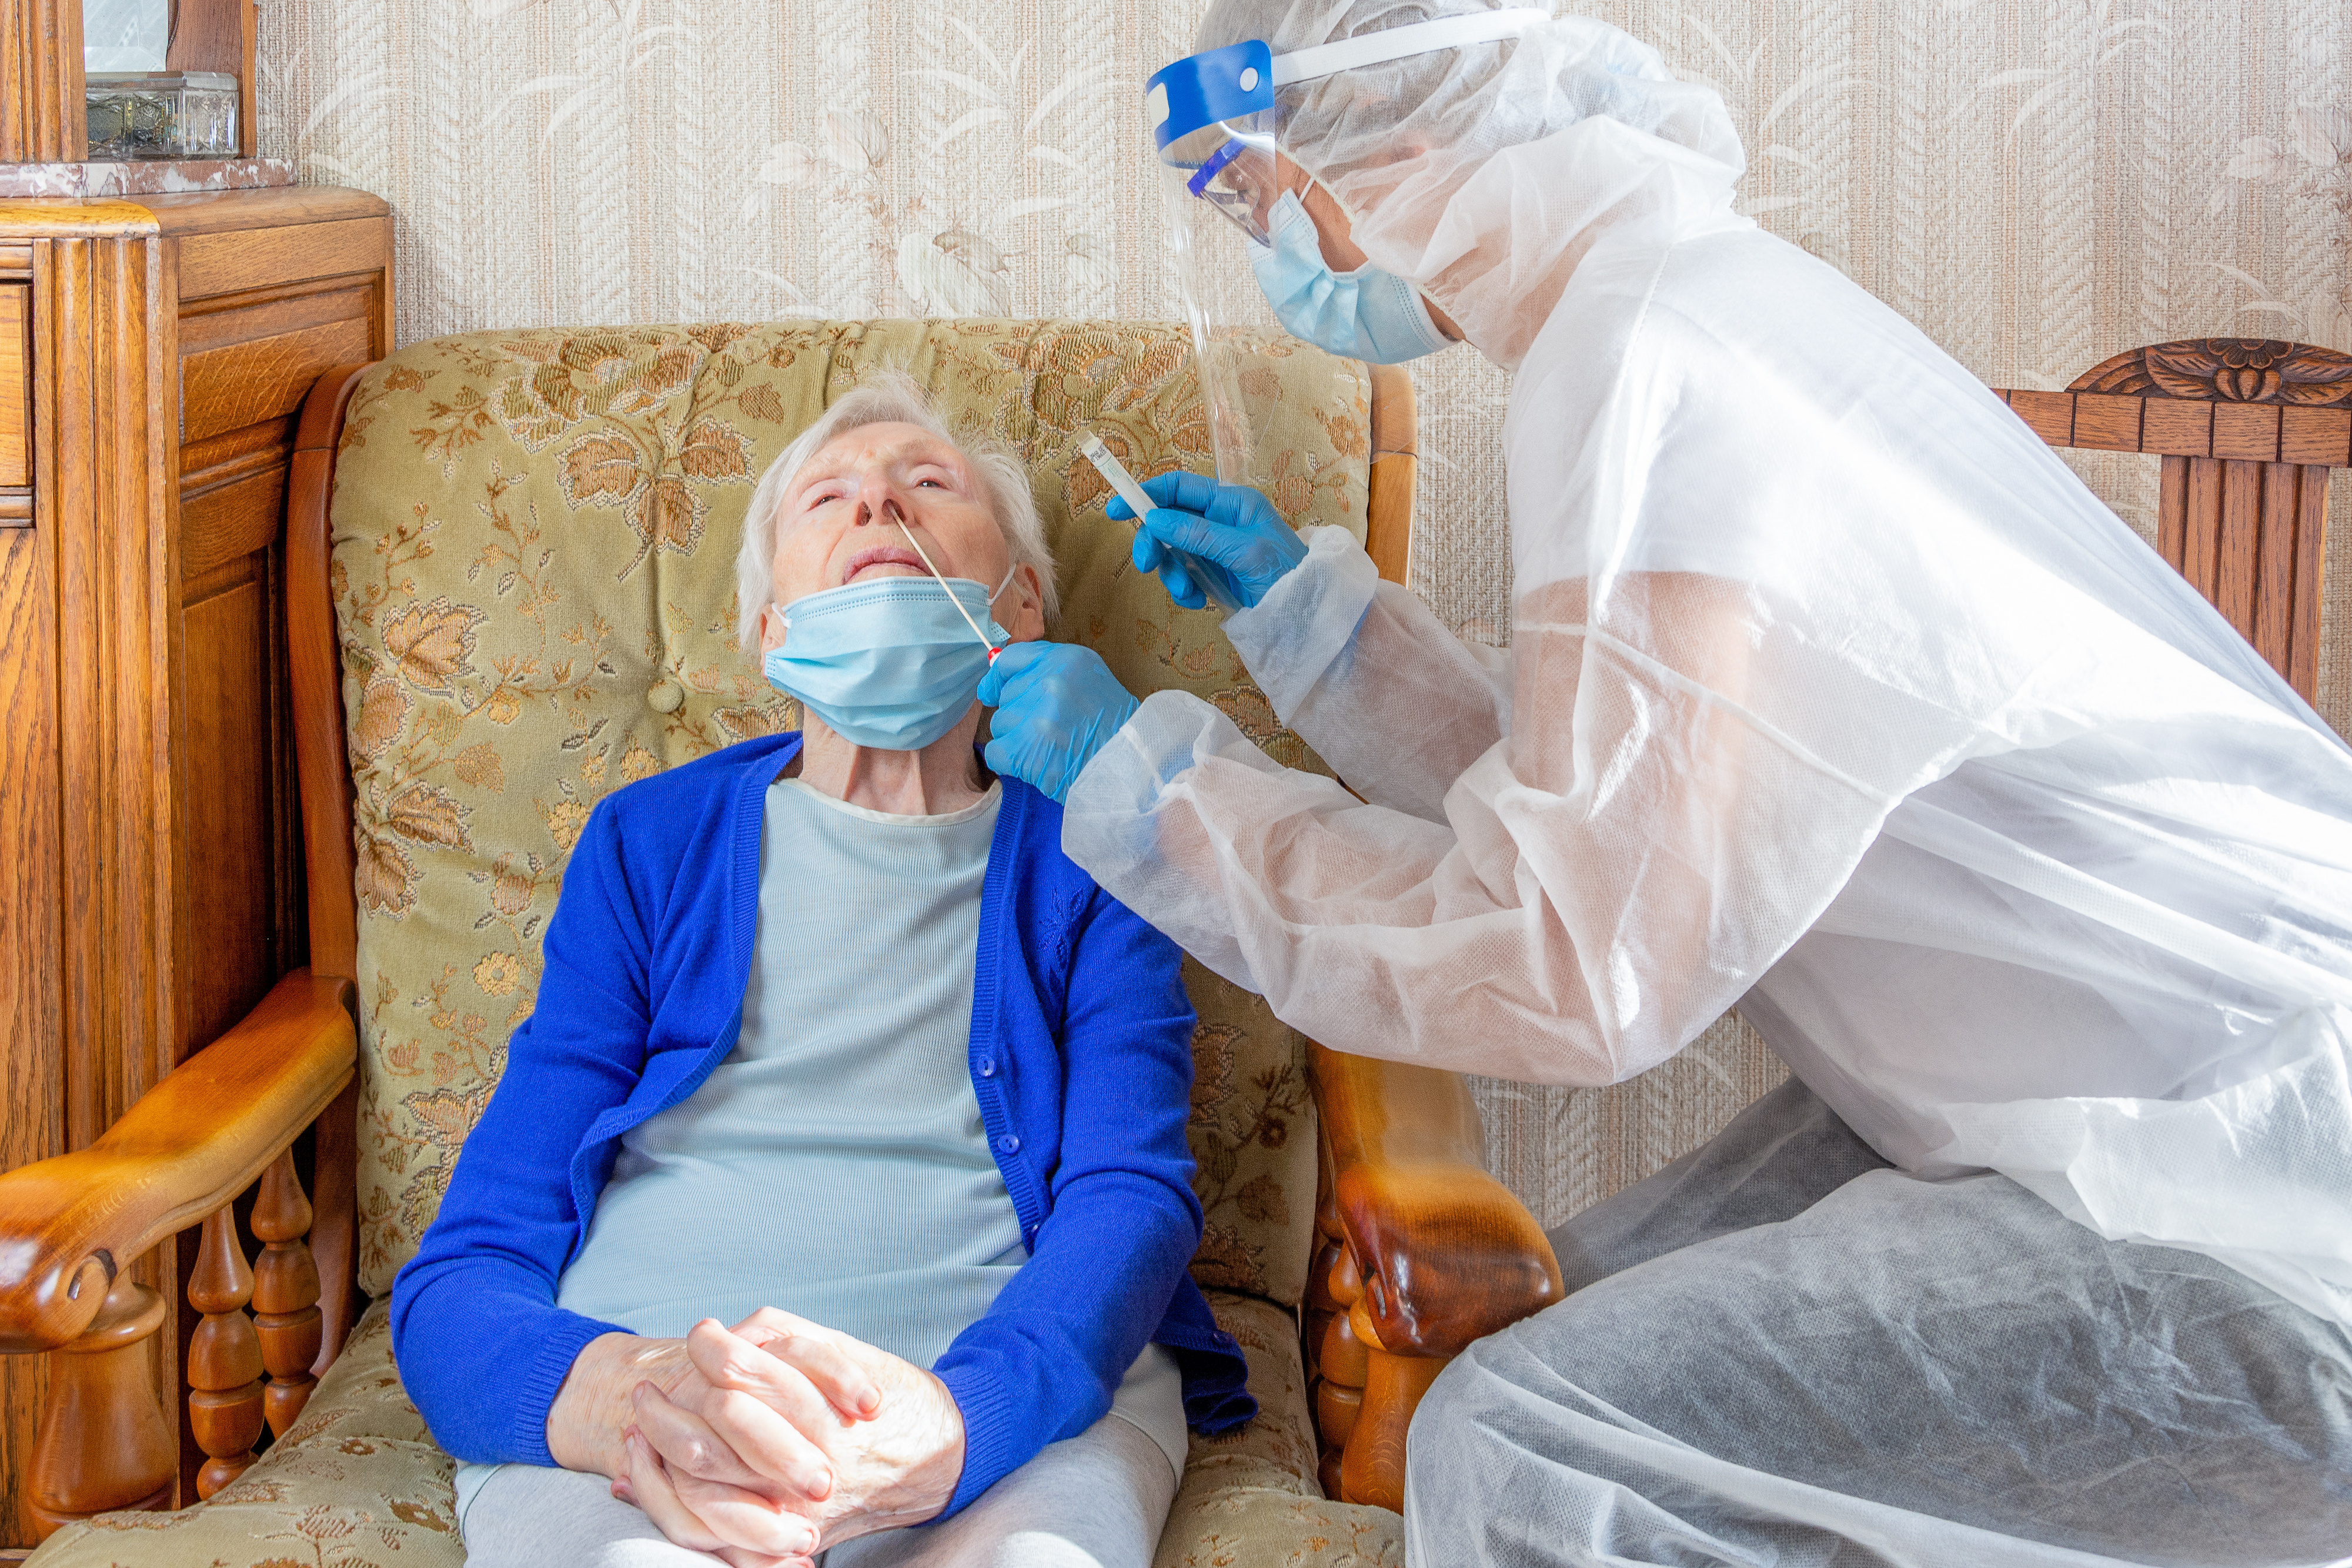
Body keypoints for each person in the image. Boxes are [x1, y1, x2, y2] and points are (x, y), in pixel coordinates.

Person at [974, 3, 2352, 1563]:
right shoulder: (1683, 306)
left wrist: (1157, 794)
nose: (1265, 241)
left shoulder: (1647, 367)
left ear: (1408, 151)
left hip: (2242, 1186)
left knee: (1525, 1442)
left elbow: (1579, 965)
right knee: (1549, 1323)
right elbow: (1627, 811)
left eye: (1251, 188)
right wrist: (1325, 633)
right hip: (2104, 1092)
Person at [390, 375, 1252, 1568]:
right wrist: (633, 1398)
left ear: (1019, 605)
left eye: (928, 484)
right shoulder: (648, 842)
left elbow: (1131, 1197)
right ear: (770, 630)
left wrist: (953, 1425)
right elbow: (469, 1261)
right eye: (828, 497)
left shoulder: (1094, 847)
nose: (878, 503)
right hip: (657, 1399)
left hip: (1010, 1411)